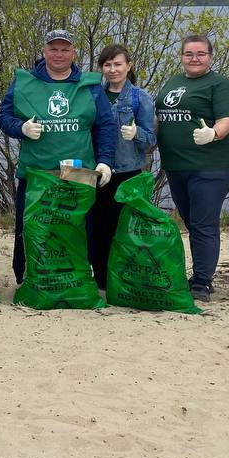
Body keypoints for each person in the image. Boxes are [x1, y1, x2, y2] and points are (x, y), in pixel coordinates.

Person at [0, 29, 117, 284]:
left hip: (78, 173)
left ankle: (78, 279)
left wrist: (105, 161)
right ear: (44, 51)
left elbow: (105, 125)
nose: (58, 54)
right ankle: (27, 279)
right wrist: (21, 128)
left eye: (64, 49)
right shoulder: (24, 82)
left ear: (73, 52)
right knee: (32, 227)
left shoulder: (90, 86)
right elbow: (4, 116)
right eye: (53, 49)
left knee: (79, 228)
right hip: (36, 173)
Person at [154, 34, 229, 302]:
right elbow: (161, 117)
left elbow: (227, 119)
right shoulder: (173, 82)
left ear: (210, 57)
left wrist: (214, 133)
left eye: (201, 54)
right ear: (181, 57)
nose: (194, 58)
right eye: (189, 54)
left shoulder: (219, 84)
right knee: (192, 222)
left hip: (210, 167)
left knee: (203, 223)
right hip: (176, 166)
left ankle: (202, 282)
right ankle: (201, 274)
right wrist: (145, 137)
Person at [88, 43, 157, 288]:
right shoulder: (94, 94)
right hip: (98, 171)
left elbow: (151, 140)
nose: (113, 70)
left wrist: (137, 133)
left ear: (129, 66)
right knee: (98, 227)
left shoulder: (140, 97)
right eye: (107, 65)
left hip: (128, 173)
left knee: (125, 227)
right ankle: (101, 278)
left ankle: (123, 276)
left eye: (118, 64)